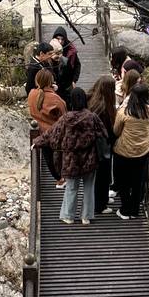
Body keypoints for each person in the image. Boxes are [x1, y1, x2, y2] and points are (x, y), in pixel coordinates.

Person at [36, 87, 107, 226]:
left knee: (71, 187)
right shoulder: (92, 117)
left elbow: (52, 134)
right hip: (90, 159)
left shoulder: (65, 118)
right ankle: (86, 216)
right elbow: (103, 134)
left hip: (71, 160)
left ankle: (68, 216)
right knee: (88, 188)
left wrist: (36, 142)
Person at [112, 82, 149, 219]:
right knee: (138, 182)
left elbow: (116, 130)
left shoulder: (123, 112)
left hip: (123, 151)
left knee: (123, 181)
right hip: (142, 151)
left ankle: (125, 209)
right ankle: (135, 210)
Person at [27, 68, 66, 182]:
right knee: (58, 158)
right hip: (55, 134)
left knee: (48, 157)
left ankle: (57, 178)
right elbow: (64, 117)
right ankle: (61, 177)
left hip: (40, 132)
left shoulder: (32, 94)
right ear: (51, 81)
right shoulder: (56, 100)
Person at [87, 74, 117, 214]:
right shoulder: (104, 108)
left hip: (93, 145)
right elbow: (108, 130)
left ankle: (102, 198)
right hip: (102, 145)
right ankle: (100, 205)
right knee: (102, 175)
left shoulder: (93, 100)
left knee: (99, 175)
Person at [51, 27, 81, 99]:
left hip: (68, 83)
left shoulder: (70, 50)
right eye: (58, 39)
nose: (60, 41)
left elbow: (77, 65)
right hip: (56, 84)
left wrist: (74, 80)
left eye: (62, 39)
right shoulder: (50, 49)